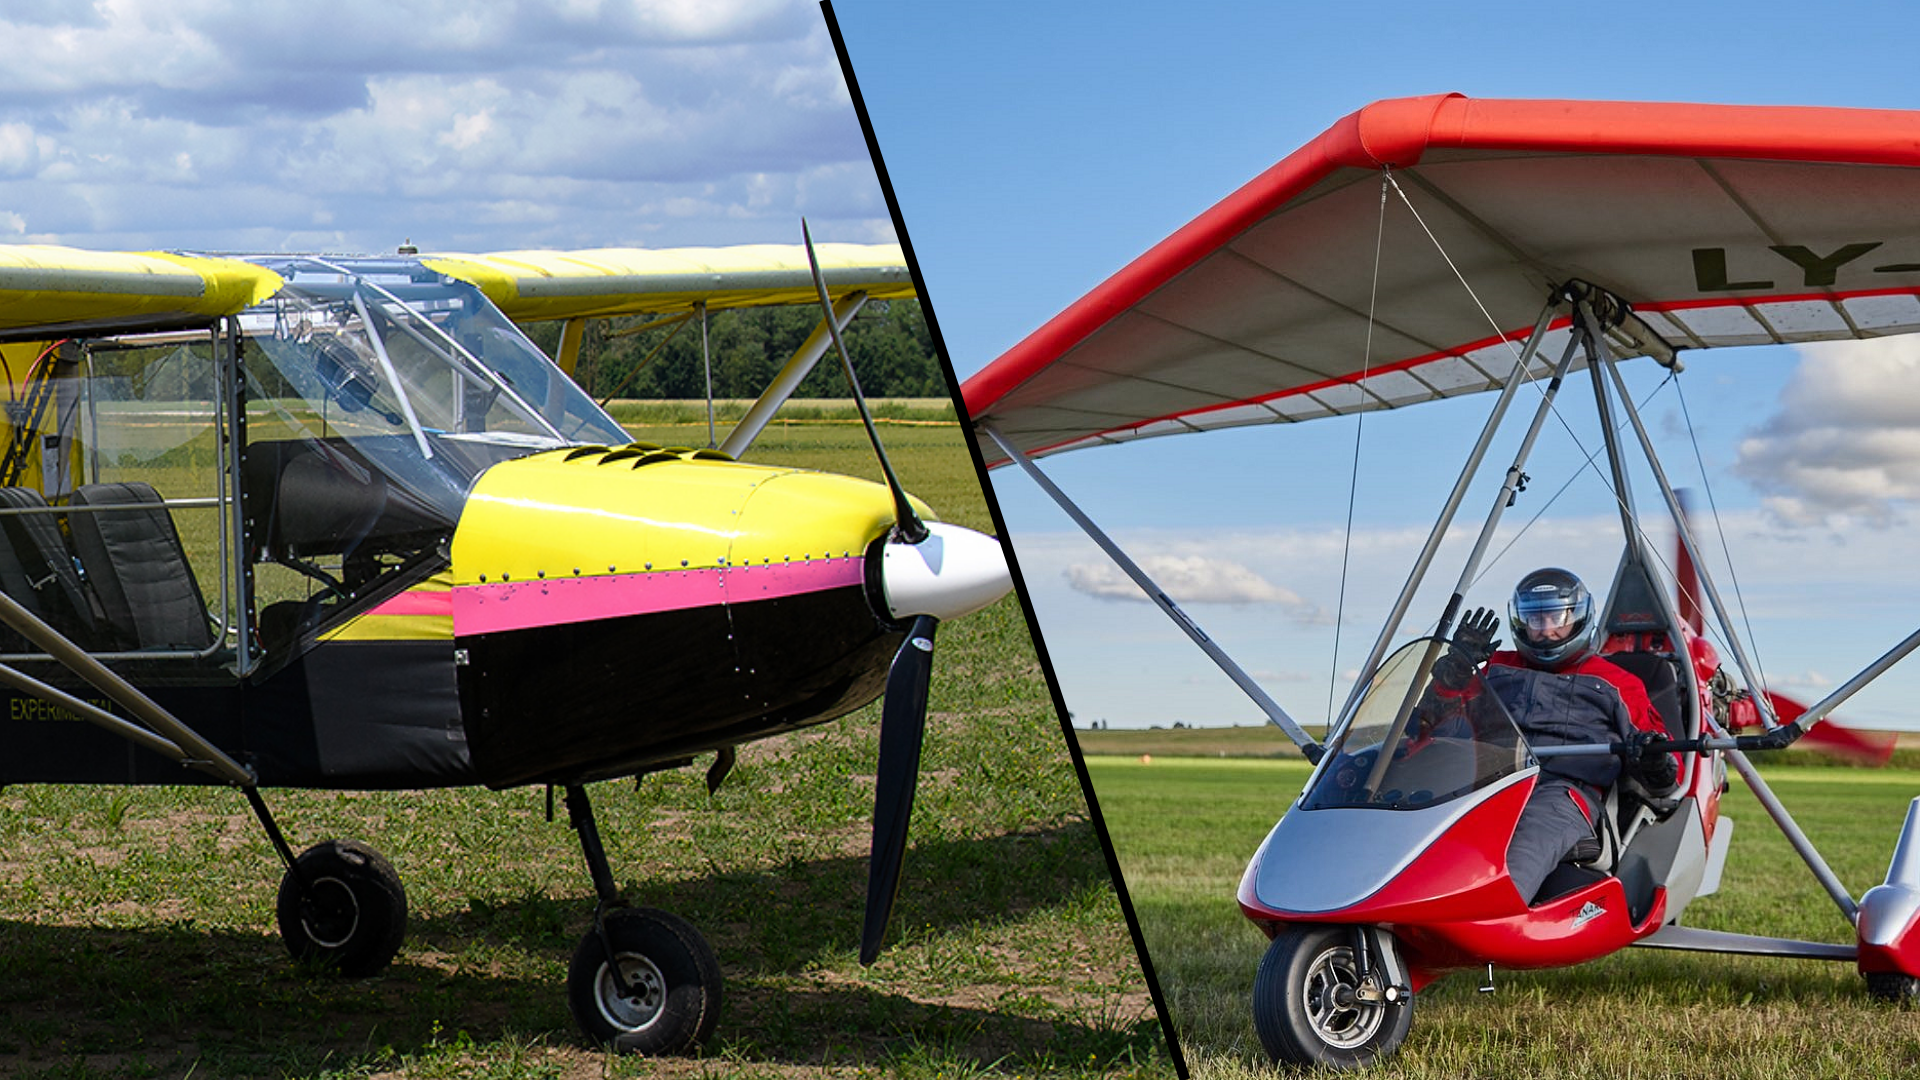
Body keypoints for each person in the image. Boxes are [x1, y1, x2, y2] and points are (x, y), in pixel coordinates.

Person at [1431, 567, 1680, 904]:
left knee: (1526, 843)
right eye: (1535, 620)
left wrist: (1654, 759)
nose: (1546, 631)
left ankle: (1490, 912)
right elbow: (1428, 727)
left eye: (1556, 617)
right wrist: (1452, 677)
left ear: (1578, 617)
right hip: (1488, 782)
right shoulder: (1496, 667)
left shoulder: (1615, 682)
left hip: (1563, 793)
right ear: (1520, 622)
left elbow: (1667, 773)